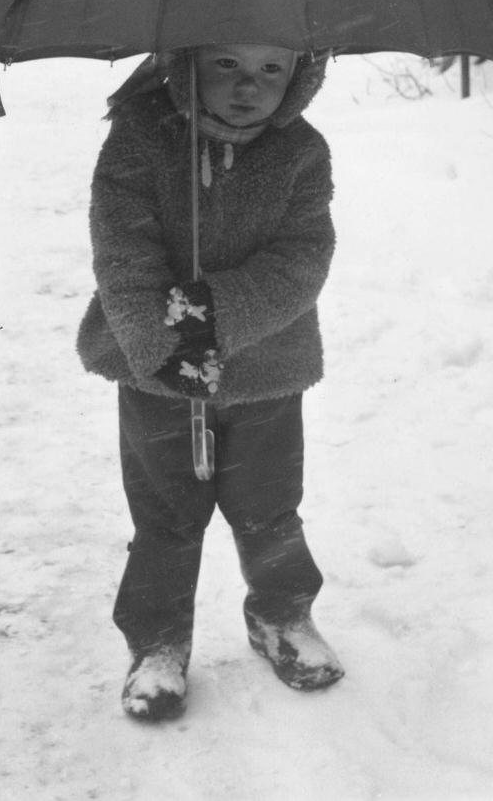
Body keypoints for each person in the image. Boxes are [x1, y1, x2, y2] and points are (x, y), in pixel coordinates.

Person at [76, 42, 342, 722]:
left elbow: (303, 258)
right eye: (227, 65)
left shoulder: (301, 153)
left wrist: (214, 313)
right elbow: (121, 249)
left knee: (269, 504)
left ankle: (282, 615)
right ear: (189, 61)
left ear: (299, 76)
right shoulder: (142, 140)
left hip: (266, 369)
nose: (249, 86)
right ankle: (157, 642)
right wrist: (159, 341)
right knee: (165, 514)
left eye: (270, 70)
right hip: (158, 374)